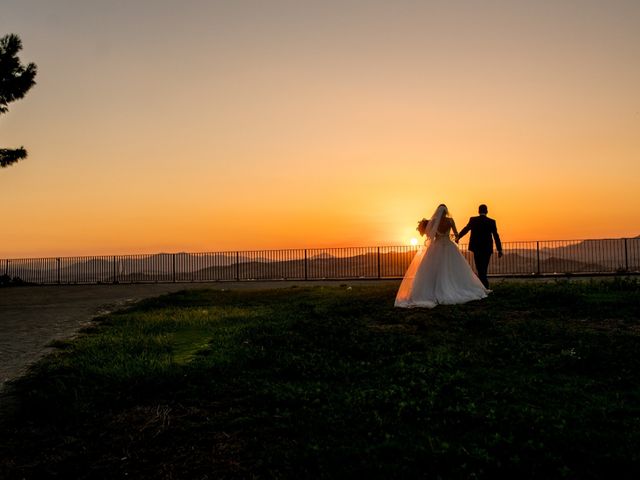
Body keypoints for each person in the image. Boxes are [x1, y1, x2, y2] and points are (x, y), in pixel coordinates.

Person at [395, 204, 488, 308]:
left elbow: (430, 235)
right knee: (452, 268)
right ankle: (454, 287)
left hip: (437, 246)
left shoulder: (434, 222)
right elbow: (457, 234)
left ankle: (433, 288)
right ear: (446, 211)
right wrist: (454, 237)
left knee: (434, 268)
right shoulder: (450, 221)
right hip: (449, 246)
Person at [456, 204, 502, 289]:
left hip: (476, 248)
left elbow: (466, 229)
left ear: (478, 211)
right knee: (484, 267)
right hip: (487, 248)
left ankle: (484, 286)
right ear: (487, 211)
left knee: (479, 267)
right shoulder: (492, 221)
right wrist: (499, 249)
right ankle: (484, 286)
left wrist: (458, 237)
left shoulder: (473, 220)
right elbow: (496, 236)